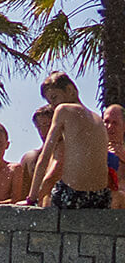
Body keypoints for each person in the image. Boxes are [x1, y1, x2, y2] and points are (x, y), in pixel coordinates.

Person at [27, 72, 113, 209]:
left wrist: (31, 199)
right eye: (50, 102)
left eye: (54, 98)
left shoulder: (63, 110)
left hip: (74, 194)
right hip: (101, 196)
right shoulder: (97, 118)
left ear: (70, 90)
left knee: (48, 196)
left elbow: (45, 156)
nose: (53, 106)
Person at [13, 105, 56, 205]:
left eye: (47, 125)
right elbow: (22, 195)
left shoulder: (70, 154)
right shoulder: (30, 158)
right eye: (39, 127)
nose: (42, 131)